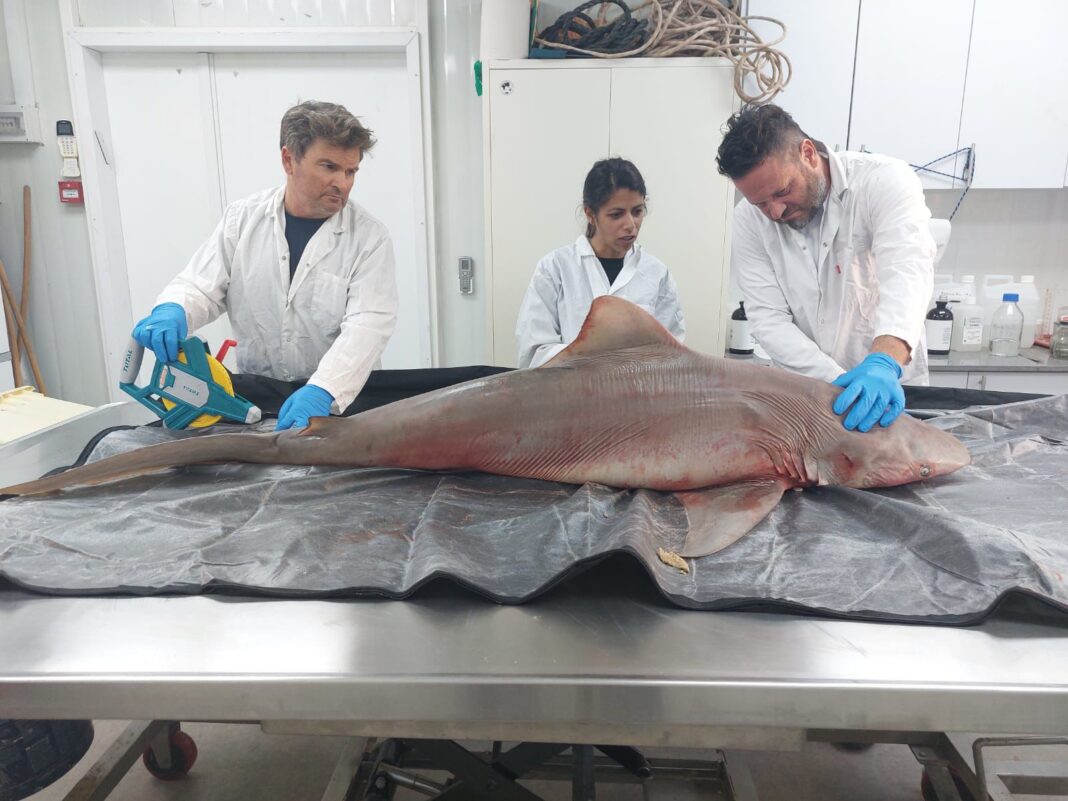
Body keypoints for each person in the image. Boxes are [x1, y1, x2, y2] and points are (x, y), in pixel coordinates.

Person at [131, 100, 398, 430]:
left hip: (337, 402)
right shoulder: (242, 220)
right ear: (289, 159)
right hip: (257, 398)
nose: (341, 183)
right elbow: (201, 286)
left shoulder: (369, 238)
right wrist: (173, 309)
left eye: (351, 171)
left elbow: (367, 325)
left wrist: (323, 389)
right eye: (328, 167)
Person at [715, 104, 935, 433]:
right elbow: (768, 318)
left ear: (808, 153)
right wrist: (836, 383)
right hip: (808, 395)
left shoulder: (882, 181)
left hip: (891, 390)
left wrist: (884, 362)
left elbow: (907, 274)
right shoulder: (749, 221)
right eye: (760, 203)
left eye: (782, 192)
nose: (774, 212)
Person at [515, 157, 685, 368]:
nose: (631, 225)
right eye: (616, 215)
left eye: (637, 211)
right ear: (590, 214)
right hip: (572, 396)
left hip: (636, 398)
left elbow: (672, 355)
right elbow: (533, 352)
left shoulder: (657, 274)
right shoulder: (555, 269)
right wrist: (591, 355)